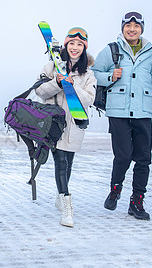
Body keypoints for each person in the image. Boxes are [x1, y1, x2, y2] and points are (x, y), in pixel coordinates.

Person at [91, 11, 152, 220]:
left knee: (143, 159)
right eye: (128, 26)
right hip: (118, 113)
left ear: (141, 29)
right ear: (123, 28)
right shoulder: (111, 50)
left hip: (143, 113)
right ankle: (115, 189)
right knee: (123, 156)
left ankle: (137, 202)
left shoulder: (149, 54)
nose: (132, 29)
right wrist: (110, 75)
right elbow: (92, 73)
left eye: (136, 26)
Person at [35, 27, 96, 227]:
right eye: (71, 43)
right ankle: (67, 206)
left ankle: (60, 195)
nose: (75, 48)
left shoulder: (88, 75)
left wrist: (73, 85)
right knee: (60, 162)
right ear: (66, 45)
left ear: (84, 48)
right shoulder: (51, 67)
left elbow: (88, 99)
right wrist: (57, 83)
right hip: (53, 123)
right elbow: (40, 92)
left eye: (80, 44)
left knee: (67, 164)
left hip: (75, 125)